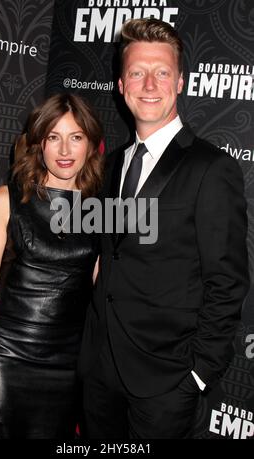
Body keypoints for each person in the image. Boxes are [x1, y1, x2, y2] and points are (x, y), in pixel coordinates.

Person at [78, 18, 249, 439]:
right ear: (121, 85)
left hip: (166, 383)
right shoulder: (112, 164)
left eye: (162, 72)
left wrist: (197, 375)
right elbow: (111, 253)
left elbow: (227, 282)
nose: (149, 84)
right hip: (100, 372)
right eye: (137, 72)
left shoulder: (211, 168)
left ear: (181, 82)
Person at [0, 93, 103, 438]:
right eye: (53, 137)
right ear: (38, 144)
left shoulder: (101, 211)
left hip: (68, 370)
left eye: (75, 137)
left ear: (91, 144)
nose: (65, 150)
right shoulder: (7, 200)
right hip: (6, 360)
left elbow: (104, 289)